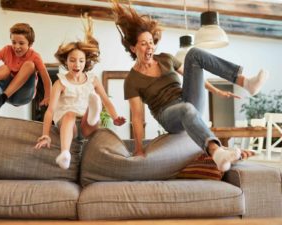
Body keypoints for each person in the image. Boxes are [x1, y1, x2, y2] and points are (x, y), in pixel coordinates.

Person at [111, 1, 268, 172]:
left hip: (186, 98)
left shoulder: (165, 58)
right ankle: (217, 151)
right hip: (167, 114)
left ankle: (245, 82)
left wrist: (216, 90)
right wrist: (139, 149)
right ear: (134, 48)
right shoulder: (132, 80)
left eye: (151, 42)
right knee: (186, 109)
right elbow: (137, 117)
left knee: (194, 54)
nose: (150, 46)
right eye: (143, 43)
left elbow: (192, 75)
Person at [35, 16, 126, 170]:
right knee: (70, 114)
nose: (77, 64)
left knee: (94, 106)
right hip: (67, 124)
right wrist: (46, 134)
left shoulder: (93, 80)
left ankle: (93, 111)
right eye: (72, 60)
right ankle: (65, 154)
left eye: (81, 61)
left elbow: (107, 101)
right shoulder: (60, 83)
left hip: (85, 125)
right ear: (66, 62)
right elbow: (50, 110)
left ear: (86, 62)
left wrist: (115, 117)